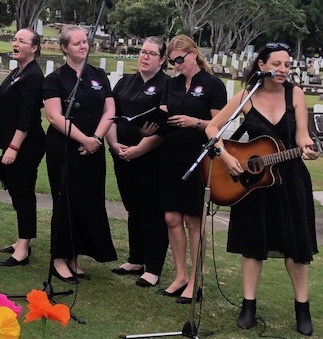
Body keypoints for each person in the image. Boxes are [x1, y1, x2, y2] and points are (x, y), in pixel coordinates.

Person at [205, 42, 318, 336]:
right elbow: (212, 128)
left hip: (291, 180)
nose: (283, 69)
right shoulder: (247, 95)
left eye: (287, 65)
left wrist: (308, 147)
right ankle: (248, 306)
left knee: (296, 247)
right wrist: (225, 156)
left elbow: (302, 137)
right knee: (252, 246)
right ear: (262, 65)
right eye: (277, 64)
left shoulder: (295, 93)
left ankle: (302, 308)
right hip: (252, 183)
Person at [43, 25, 117, 284]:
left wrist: (95, 138)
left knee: (88, 202)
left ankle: (74, 256)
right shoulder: (55, 79)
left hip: (93, 150)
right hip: (64, 150)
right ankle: (59, 258)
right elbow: (54, 116)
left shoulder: (98, 75)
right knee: (65, 202)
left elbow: (110, 111)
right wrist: (83, 139)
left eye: (85, 42)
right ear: (64, 48)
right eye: (77, 43)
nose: (83, 46)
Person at [157, 34, 226, 303]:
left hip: (197, 158)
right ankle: (180, 276)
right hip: (170, 156)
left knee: (193, 221)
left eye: (179, 59)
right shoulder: (171, 84)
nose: (176, 65)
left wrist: (194, 122)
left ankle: (195, 280)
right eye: (171, 61)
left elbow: (219, 124)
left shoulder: (212, 85)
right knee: (171, 218)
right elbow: (163, 114)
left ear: (194, 54)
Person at [106, 37, 169, 288]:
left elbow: (163, 126)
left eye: (152, 54)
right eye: (143, 52)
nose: (145, 57)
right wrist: (113, 144)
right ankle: (136, 259)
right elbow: (111, 115)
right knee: (133, 207)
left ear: (162, 59)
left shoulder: (167, 85)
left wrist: (139, 150)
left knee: (152, 210)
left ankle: (152, 267)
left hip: (151, 157)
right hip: (122, 154)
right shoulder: (125, 82)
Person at [0, 28, 46, 266]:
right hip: (11, 140)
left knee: (23, 193)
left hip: (26, 144)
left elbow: (27, 116)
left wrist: (13, 147)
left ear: (33, 48)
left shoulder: (33, 76)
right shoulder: (18, 71)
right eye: (14, 39)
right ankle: (20, 240)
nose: (15, 43)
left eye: (21, 41)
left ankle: (23, 248)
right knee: (16, 191)